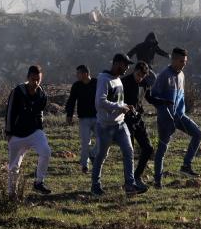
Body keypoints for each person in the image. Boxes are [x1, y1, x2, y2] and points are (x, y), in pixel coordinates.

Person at [91, 53, 148, 196]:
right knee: (100, 157)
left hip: (120, 124)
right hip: (105, 126)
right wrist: (119, 107)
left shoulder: (118, 80)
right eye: (125, 65)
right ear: (117, 63)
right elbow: (100, 102)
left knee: (129, 152)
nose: (127, 68)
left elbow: (119, 100)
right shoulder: (104, 79)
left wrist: (127, 106)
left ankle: (130, 185)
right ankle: (95, 186)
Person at [149, 48, 201, 187]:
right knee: (162, 149)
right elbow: (153, 96)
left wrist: (181, 112)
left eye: (185, 62)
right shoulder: (164, 76)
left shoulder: (182, 75)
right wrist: (165, 111)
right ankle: (158, 180)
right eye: (181, 61)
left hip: (180, 116)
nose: (183, 64)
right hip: (166, 119)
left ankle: (186, 165)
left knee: (198, 134)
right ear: (173, 60)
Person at [5, 65, 52, 195]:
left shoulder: (42, 94)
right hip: (17, 134)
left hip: (35, 131)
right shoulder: (18, 91)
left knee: (46, 151)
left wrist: (40, 128)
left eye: (38, 79)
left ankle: (39, 182)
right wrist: (9, 132)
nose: (35, 82)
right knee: (14, 166)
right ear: (27, 78)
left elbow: (40, 113)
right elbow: (10, 112)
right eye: (33, 79)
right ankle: (11, 193)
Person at [121, 61, 156, 188]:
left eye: (142, 76)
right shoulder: (124, 82)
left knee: (148, 148)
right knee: (129, 151)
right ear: (134, 71)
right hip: (125, 120)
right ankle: (129, 182)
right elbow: (117, 100)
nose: (139, 78)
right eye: (138, 74)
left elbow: (149, 98)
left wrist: (163, 102)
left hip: (138, 119)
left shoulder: (145, 83)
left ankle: (137, 176)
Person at [65, 64, 98, 174]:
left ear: (85, 74)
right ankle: (85, 165)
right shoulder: (76, 86)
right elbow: (71, 100)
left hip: (98, 117)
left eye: (78, 73)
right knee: (85, 142)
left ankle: (93, 156)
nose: (76, 75)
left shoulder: (97, 83)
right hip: (84, 118)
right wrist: (69, 115)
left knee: (102, 141)